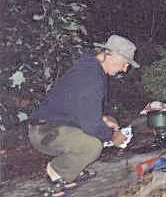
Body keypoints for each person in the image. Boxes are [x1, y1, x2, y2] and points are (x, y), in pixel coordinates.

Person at [28, 34, 140, 194]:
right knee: (91, 146)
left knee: (108, 122)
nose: (124, 69)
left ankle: (72, 169)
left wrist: (103, 119)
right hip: (46, 131)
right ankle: (57, 173)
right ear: (112, 54)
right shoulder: (91, 77)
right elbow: (92, 126)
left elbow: (76, 106)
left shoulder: (90, 67)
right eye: (125, 63)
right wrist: (113, 136)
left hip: (54, 125)